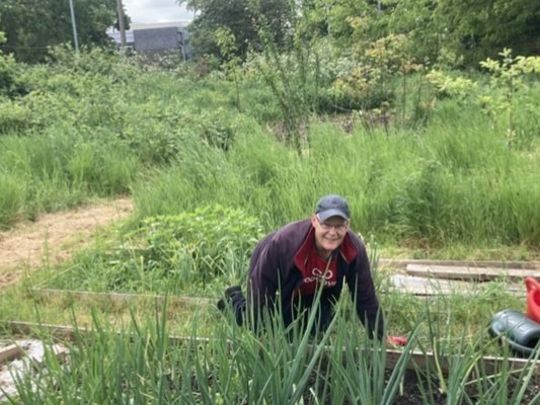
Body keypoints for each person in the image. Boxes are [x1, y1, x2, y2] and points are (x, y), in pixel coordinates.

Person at [219, 194, 385, 340]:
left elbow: (365, 296)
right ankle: (232, 299)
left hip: (313, 287)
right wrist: (259, 332)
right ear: (314, 221)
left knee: (314, 329)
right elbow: (261, 290)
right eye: (326, 225)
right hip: (270, 263)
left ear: (347, 226)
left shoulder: (353, 250)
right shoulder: (285, 243)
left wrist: (379, 336)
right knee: (258, 321)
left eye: (339, 226)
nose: (332, 233)